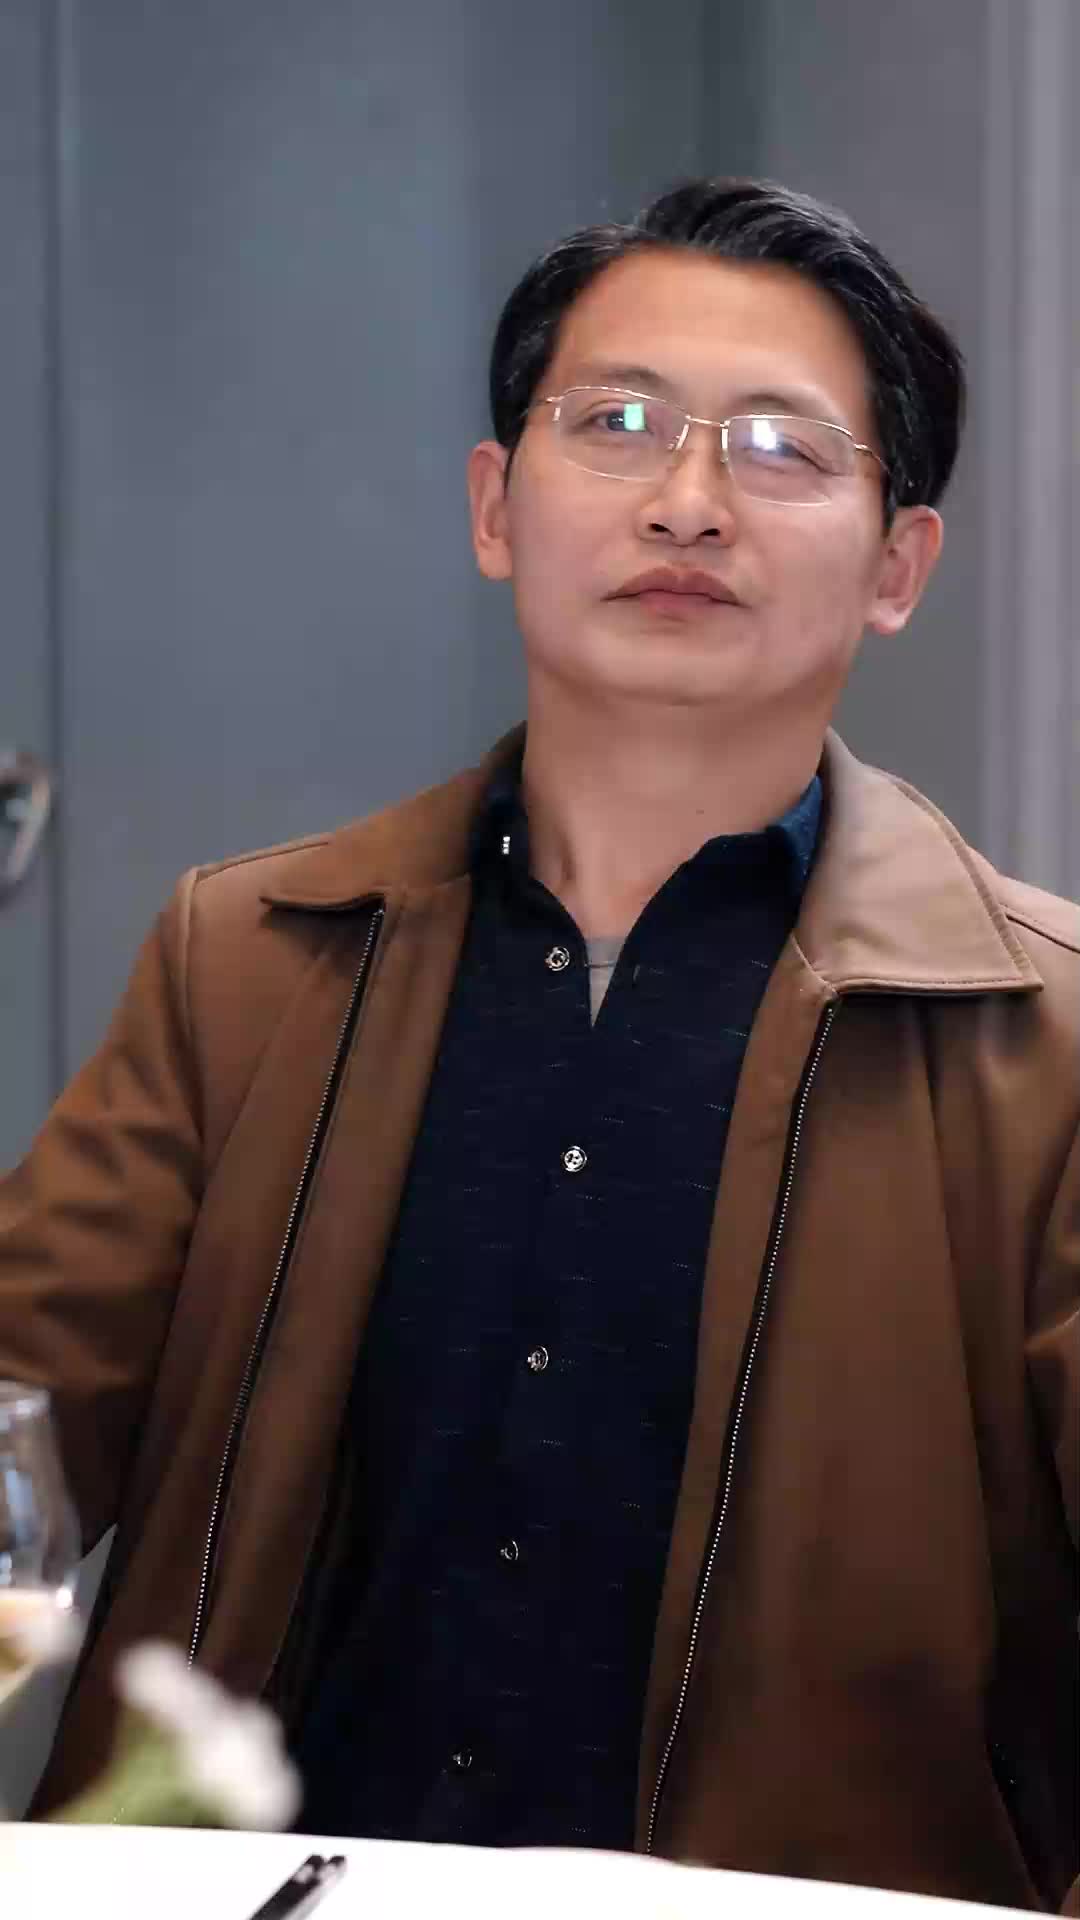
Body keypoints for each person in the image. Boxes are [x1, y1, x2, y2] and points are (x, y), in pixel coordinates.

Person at [1, 176, 1076, 1910]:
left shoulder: (1049, 1042)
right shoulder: (251, 961)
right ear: (497, 507)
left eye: (781, 448)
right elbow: (20, 1427)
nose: (687, 501)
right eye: (617, 422)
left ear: (898, 565)